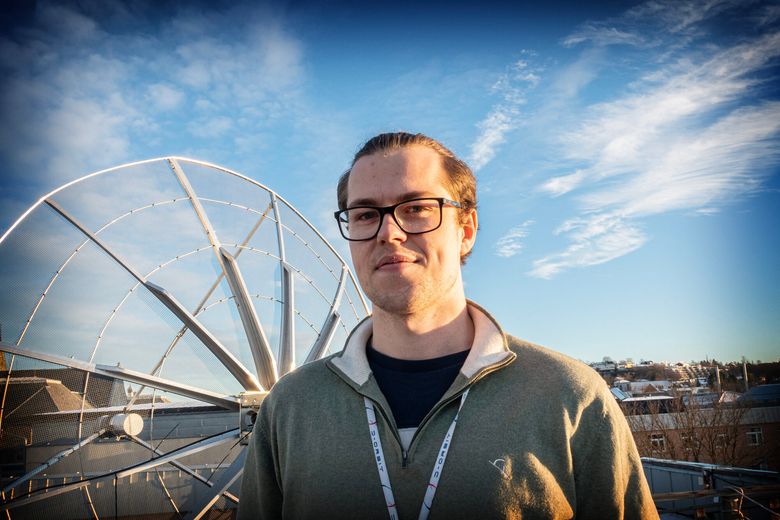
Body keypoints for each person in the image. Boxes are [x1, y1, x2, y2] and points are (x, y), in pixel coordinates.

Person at [238, 132, 659, 519]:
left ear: (467, 230)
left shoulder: (570, 397)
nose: (389, 232)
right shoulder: (290, 408)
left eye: (416, 209)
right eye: (365, 214)